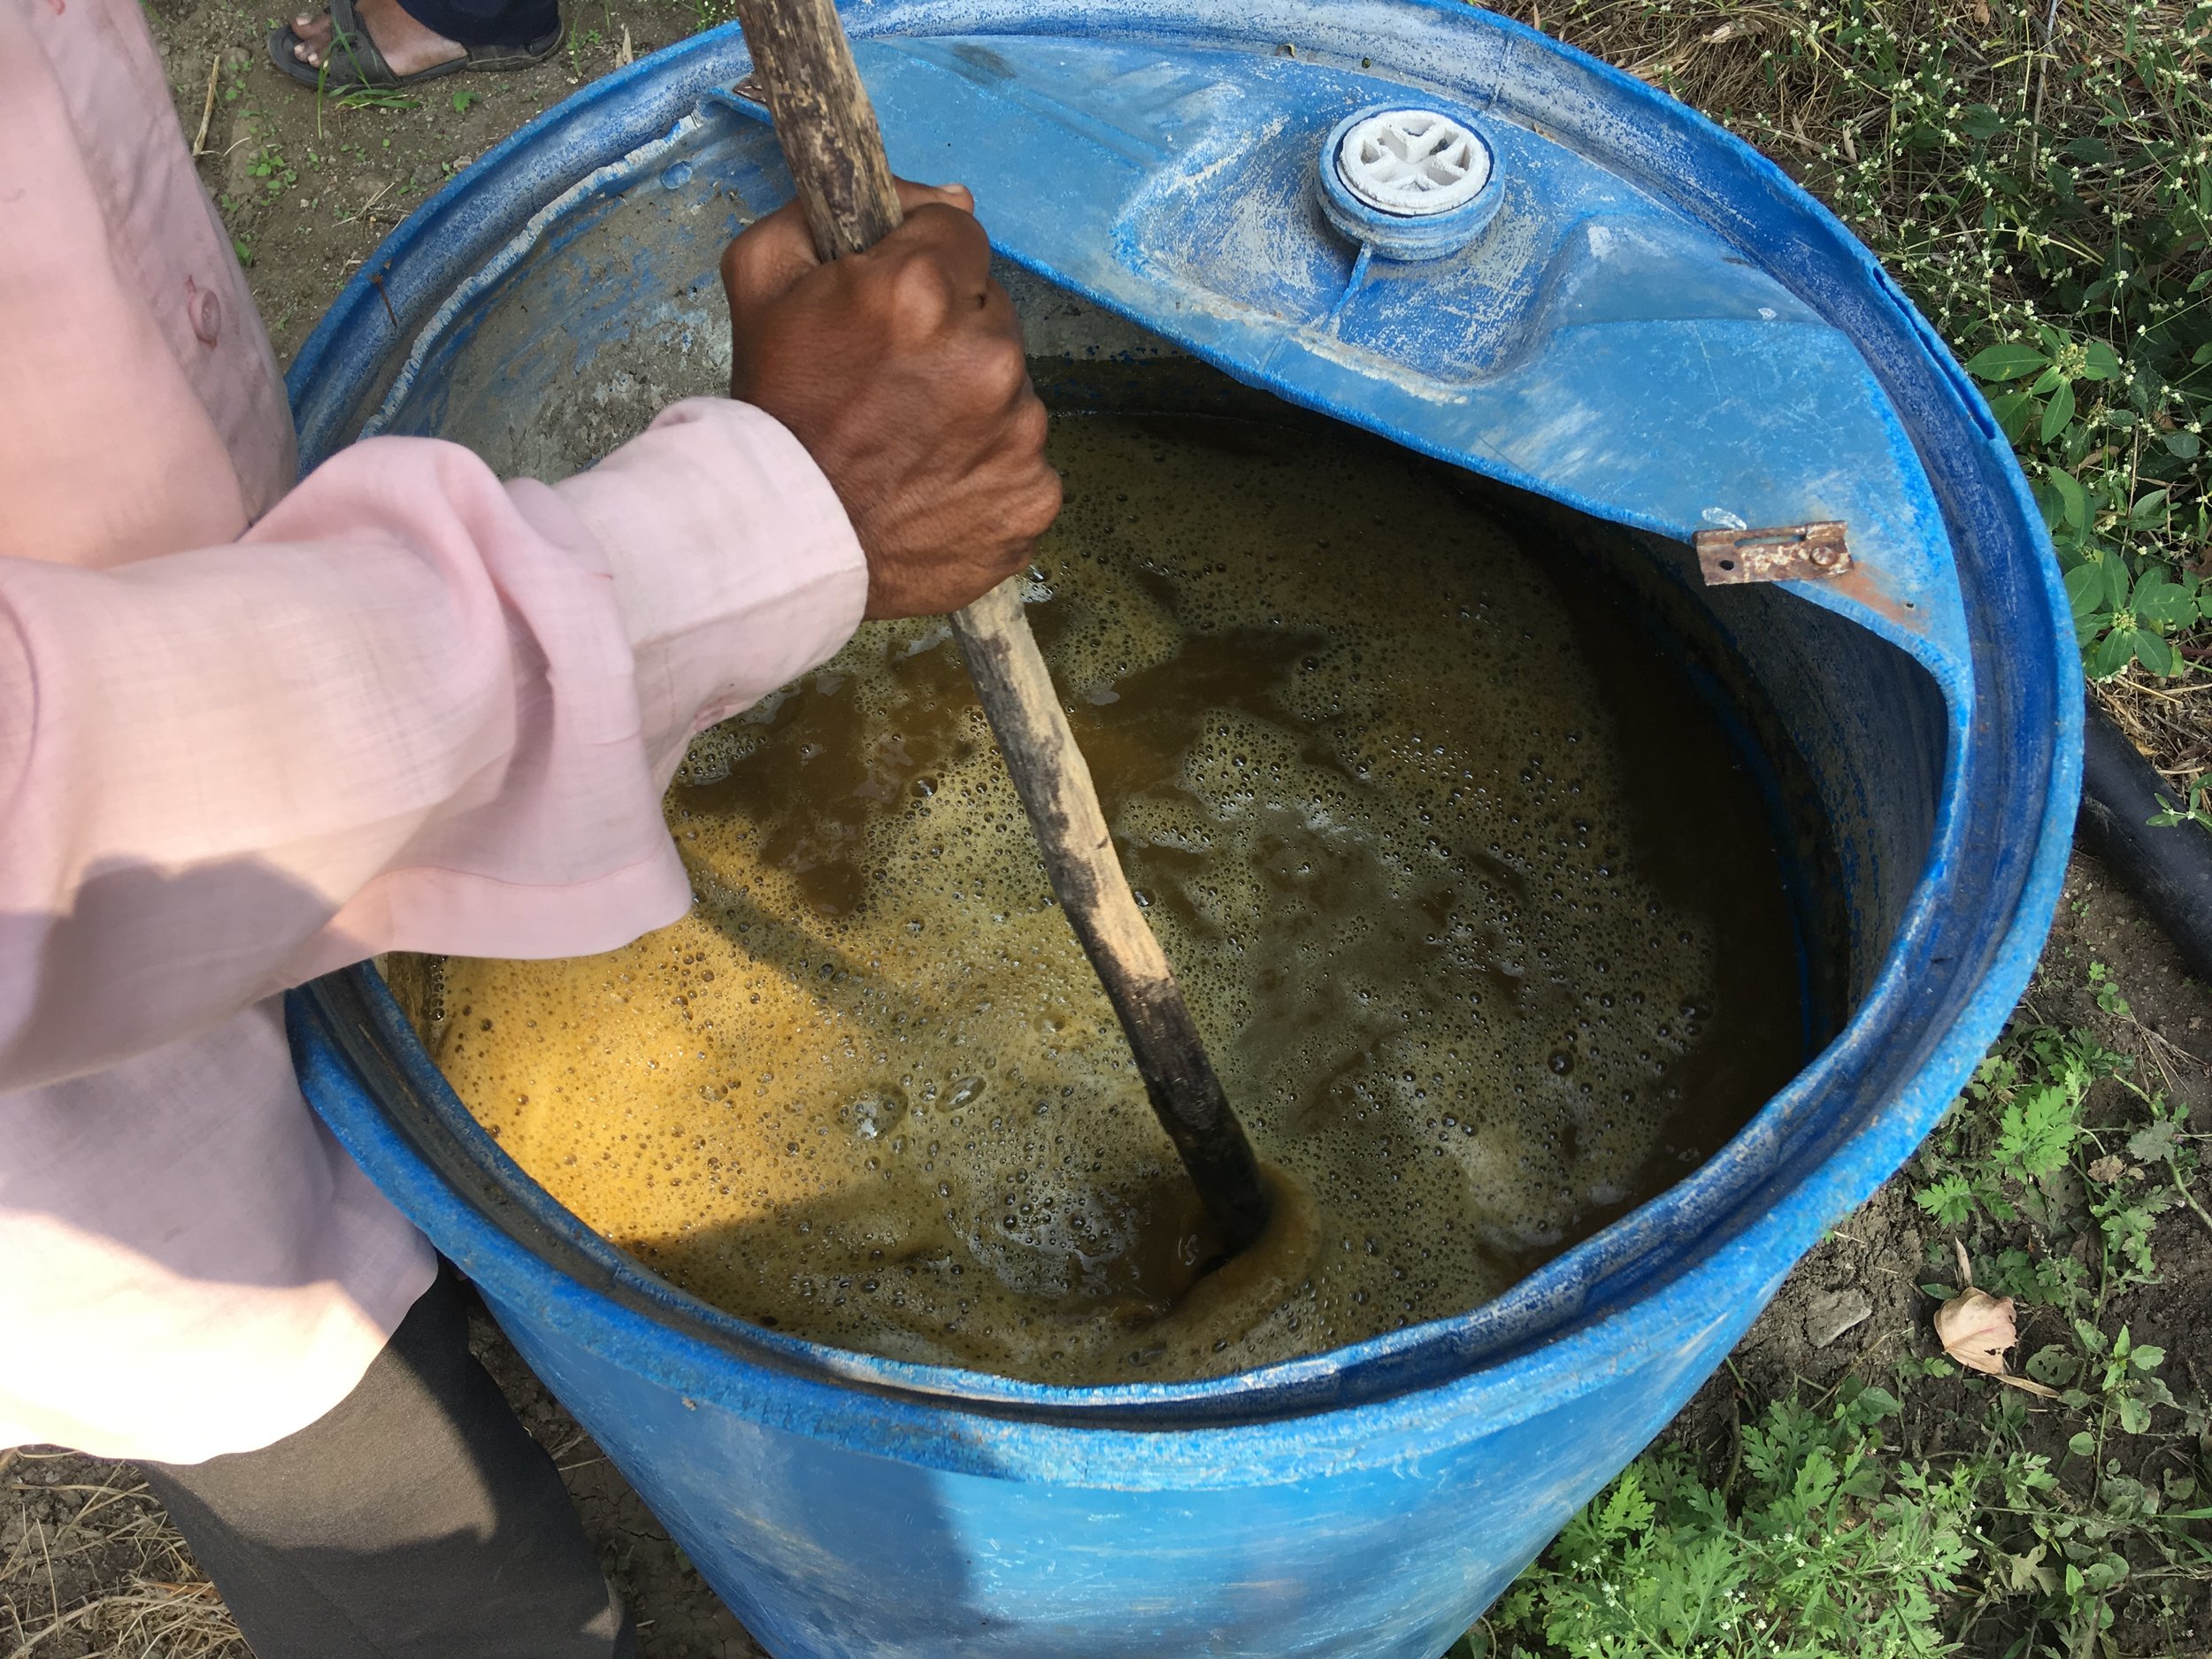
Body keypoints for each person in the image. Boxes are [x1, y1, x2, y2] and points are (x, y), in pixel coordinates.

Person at [1, 1, 1060, 1655]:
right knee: (428, 1565)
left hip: (286, 626)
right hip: (92, 1188)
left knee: (417, 1153)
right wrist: (763, 524)